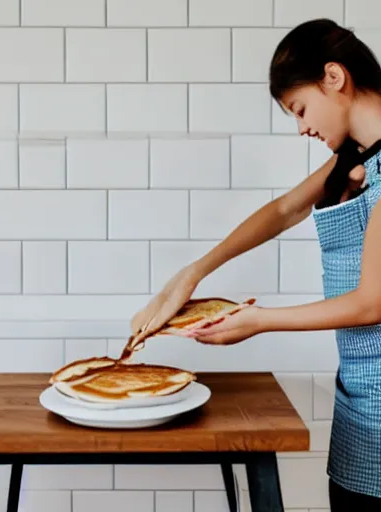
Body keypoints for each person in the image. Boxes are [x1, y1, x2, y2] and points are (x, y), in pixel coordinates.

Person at [130, 18, 381, 511]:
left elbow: (372, 302)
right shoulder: (356, 158)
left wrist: (259, 321)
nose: (303, 126)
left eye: (300, 108)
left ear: (335, 77)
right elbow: (286, 209)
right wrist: (194, 272)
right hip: (360, 398)